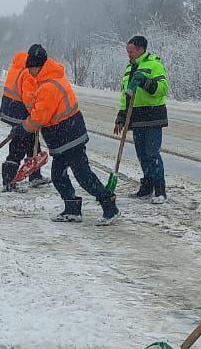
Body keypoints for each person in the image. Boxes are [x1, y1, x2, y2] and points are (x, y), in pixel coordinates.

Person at [17, 44, 119, 225]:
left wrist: (23, 128)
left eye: (31, 68)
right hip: (62, 138)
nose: (29, 72)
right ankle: (72, 209)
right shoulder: (48, 80)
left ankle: (109, 205)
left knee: (83, 176)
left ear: (38, 66)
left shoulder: (49, 85)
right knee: (58, 175)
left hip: (69, 137)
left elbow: (40, 117)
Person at [112, 35, 169, 203]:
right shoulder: (130, 69)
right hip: (135, 118)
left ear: (140, 50)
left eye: (130, 51)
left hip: (152, 117)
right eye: (127, 51)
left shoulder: (154, 65)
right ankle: (147, 186)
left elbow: (162, 89)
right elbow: (125, 96)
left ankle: (160, 190)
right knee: (142, 155)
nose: (128, 55)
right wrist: (121, 116)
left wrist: (144, 82)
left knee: (152, 153)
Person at [0, 49, 47, 191]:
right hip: (20, 112)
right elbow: (28, 97)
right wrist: (35, 114)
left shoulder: (17, 66)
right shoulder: (27, 72)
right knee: (18, 146)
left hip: (9, 109)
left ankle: (35, 175)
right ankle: (8, 181)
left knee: (32, 144)